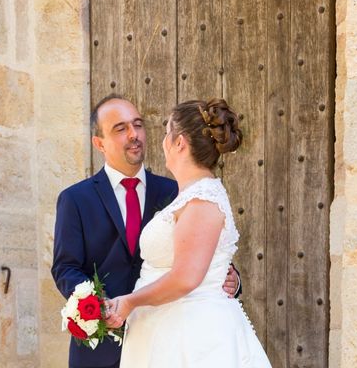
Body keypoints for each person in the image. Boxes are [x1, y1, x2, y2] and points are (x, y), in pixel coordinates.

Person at [51, 95, 240, 368]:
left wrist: (231, 277)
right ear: (99, 143)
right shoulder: (75, 199)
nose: (134, 134)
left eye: (137, 125)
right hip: (101, 344)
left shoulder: (179, 191)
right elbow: (65, 267)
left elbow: (201, 253)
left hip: (168, 336)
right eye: (120, 128)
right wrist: (97, 304)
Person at [105, 98, 272, 368]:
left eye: (167, 133)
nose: (162, 142)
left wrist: (130, 302)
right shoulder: (190, 196)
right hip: (165, 330)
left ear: (179, 142)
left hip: (192, 337)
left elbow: (185, 278)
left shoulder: (203, 200)